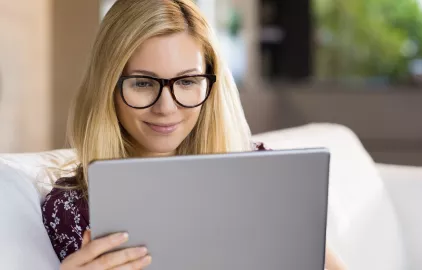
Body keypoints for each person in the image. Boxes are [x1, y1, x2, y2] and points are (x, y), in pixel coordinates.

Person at [42, 0, 346, 269]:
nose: (166, 107)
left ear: (210, 85)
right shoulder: (73, 209)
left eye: (187, 82)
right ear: (107, 87)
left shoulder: (261, 174)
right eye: (143, 83)